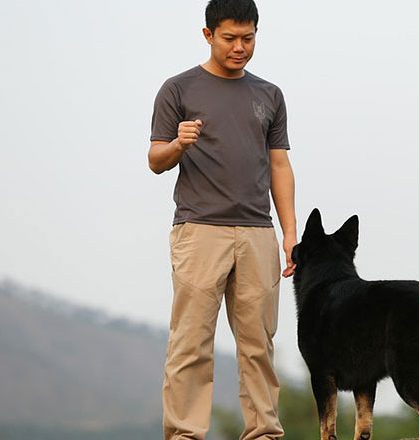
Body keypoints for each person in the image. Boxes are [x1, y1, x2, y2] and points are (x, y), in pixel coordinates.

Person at [147, 1, 295, 439]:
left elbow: (280, 165)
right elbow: (155, 159)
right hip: (199, 231)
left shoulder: (270, 95)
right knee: (191, 343)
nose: (239, 47)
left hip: (258, 232)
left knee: (258, 346)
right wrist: (178, 144)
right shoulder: (178, 89)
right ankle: (185, 434)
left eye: (248, 38)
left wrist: (290, 234)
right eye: (229, 38)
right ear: (208, 34)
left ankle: (264, 433)